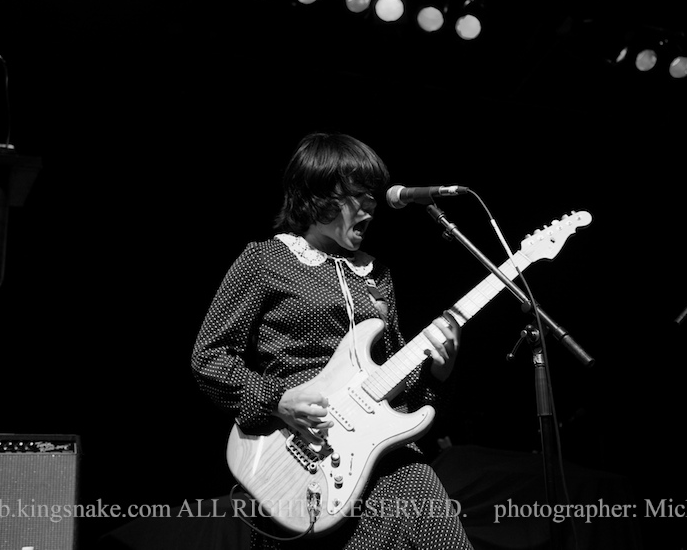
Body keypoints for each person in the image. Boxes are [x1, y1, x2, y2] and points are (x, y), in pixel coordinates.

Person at [191, 131, 474, 550]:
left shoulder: (376, 275)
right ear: (318, 194)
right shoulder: (266, 259)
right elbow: (209, 356)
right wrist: (277, 400)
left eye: (374, 195)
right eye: (359, 194)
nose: (371, 205)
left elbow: (399, 395)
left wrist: (438, 372)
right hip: (292, 456)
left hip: (380, 463)